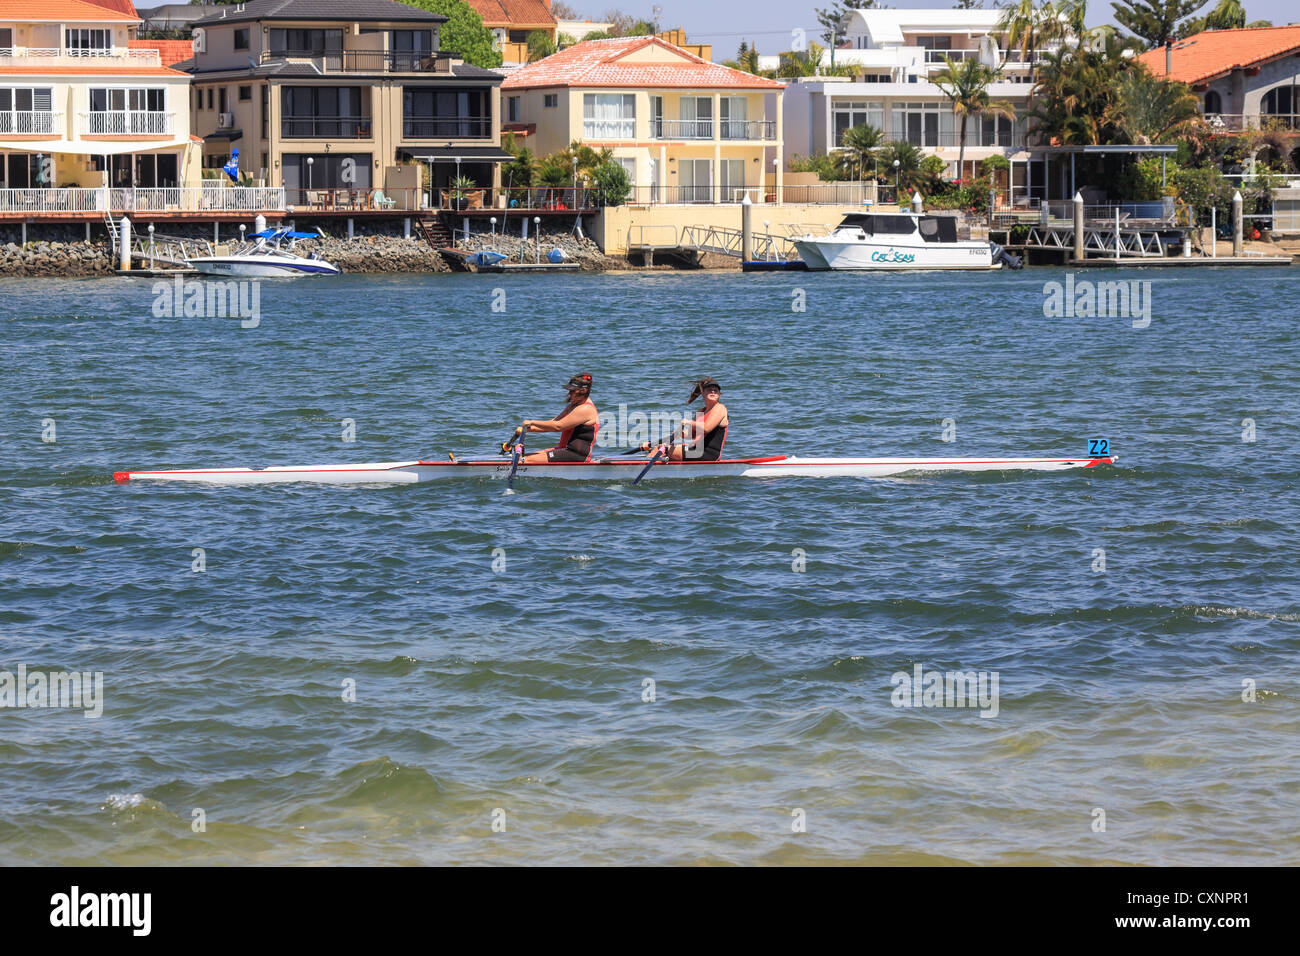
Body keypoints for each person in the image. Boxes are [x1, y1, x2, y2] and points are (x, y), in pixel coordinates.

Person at [521, 373, 599, 463]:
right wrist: (528, 429)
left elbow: (558, 427)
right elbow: (553, 422)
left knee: (526, 460)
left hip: (576, 454)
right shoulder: (573, 406)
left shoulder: (586, 409)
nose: (569, 393)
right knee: (525, 457)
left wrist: (532, 422)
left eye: (573, 391)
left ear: (583, 391)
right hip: (564, 450)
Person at [646, 377, 728, 461]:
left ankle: (643, 467)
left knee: (663, 449)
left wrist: (689, 422)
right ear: (702, 393)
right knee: (661, 447)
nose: (713, 392)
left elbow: (706, 428)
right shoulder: (701, 412)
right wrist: (679, 433)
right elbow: (691, 434)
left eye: (716, 390)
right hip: (696, 450)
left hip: (709, 454)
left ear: (719, 394)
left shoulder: (720, 408)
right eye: (709, 390)